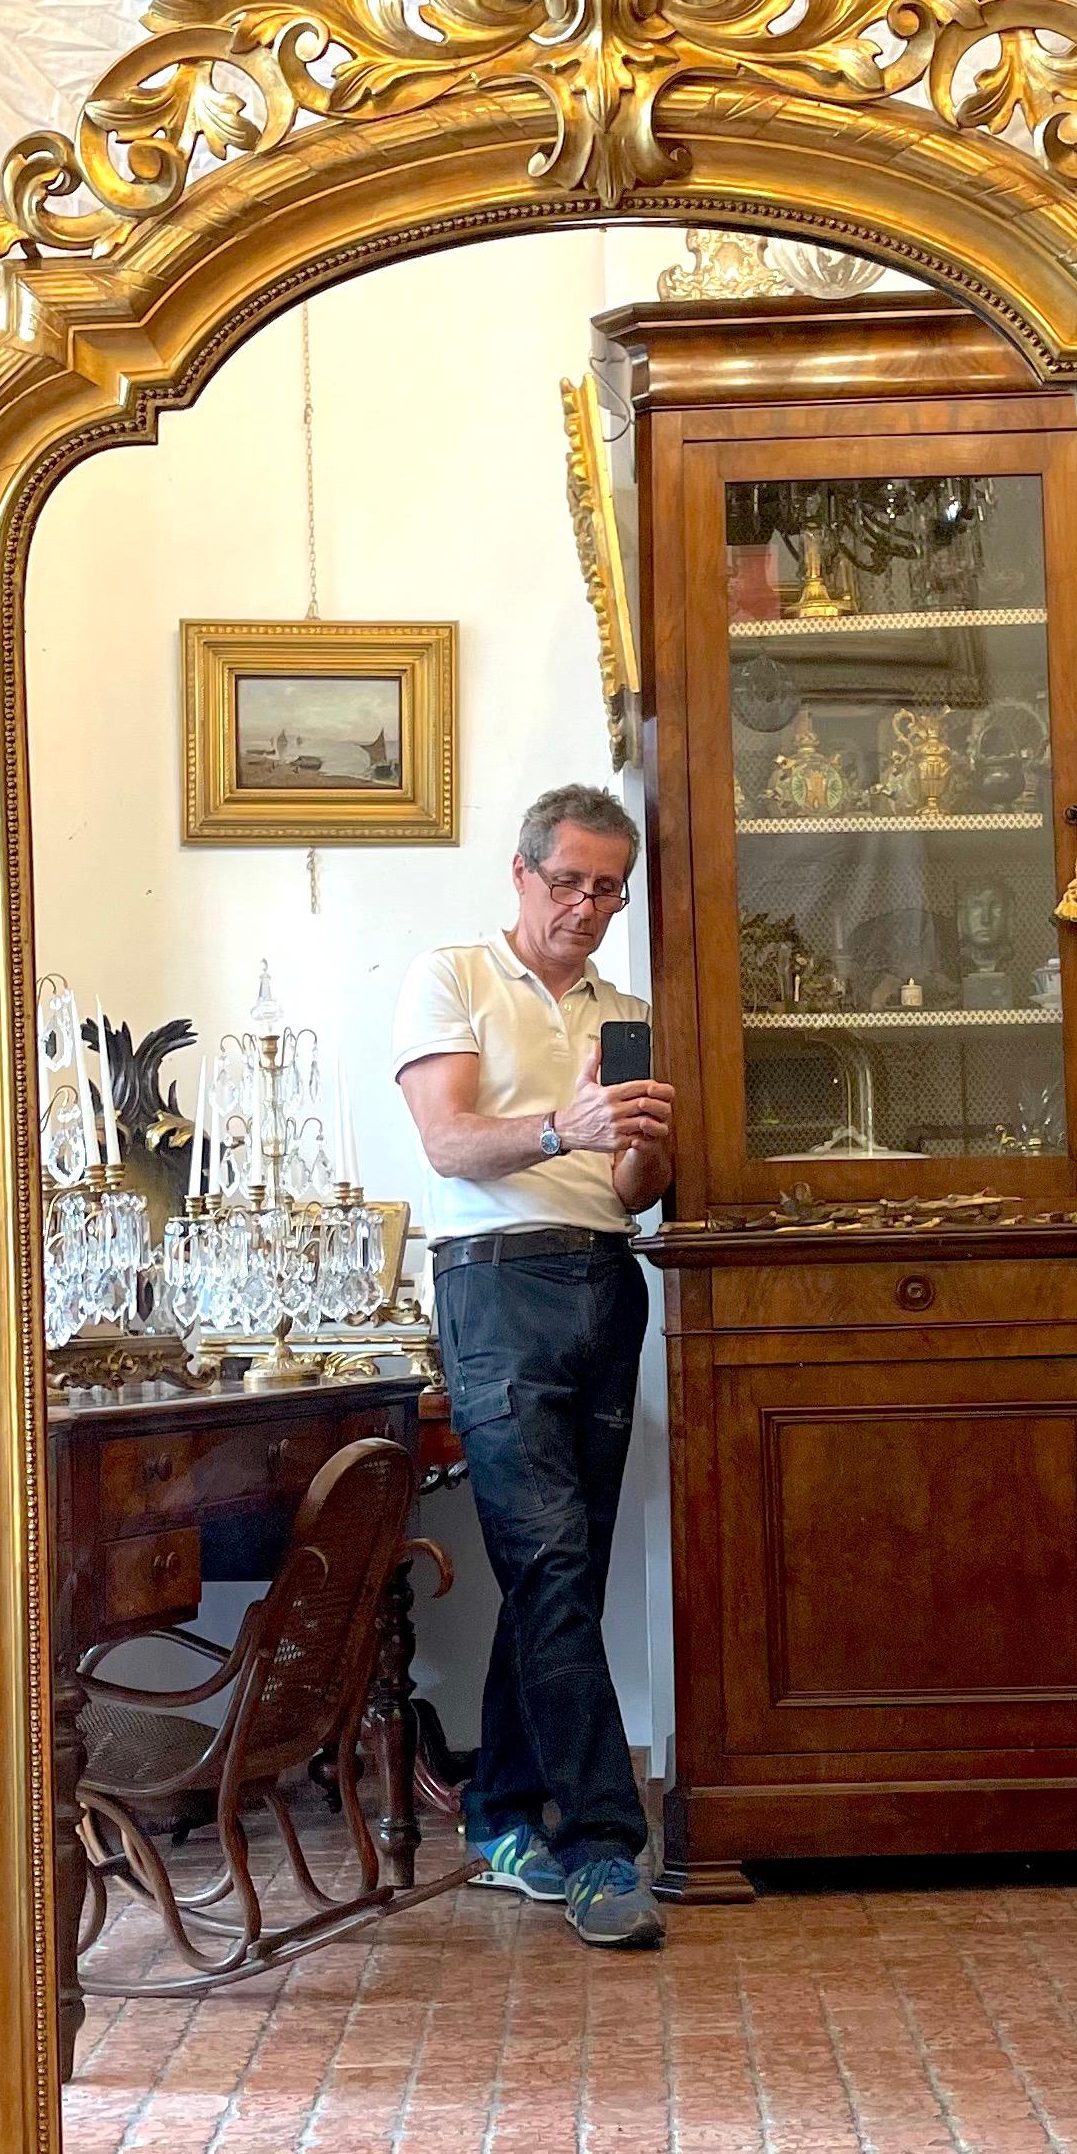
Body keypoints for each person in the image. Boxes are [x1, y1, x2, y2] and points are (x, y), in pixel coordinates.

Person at [393, 785, 676, 1949]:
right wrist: (566, 1128)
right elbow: (449, 1140)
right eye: (570, 882)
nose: (589, 907)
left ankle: (502, 1815)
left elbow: (632, 1190)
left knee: (561, 1565)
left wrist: (646, 1149)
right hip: (493, 1282)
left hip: (610, 1281)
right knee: (552, 1559)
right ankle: (604, 1842)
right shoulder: (453, 976)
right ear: (522, 875)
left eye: (610, 888)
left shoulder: (629, 1009)